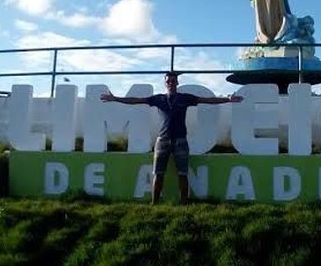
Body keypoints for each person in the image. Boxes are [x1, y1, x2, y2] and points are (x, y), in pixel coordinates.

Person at [100, 72, 243, 204]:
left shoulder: (185, 98)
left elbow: (208, 100)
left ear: (177, 83)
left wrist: (227, 99)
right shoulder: (158, 99)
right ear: (165, 83)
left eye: (173, 81)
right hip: (162, 140)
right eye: (168, 81)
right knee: (158, 173)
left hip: (180, 140)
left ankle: (185, 203)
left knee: (183, 174)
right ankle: (154, 203)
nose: (171, 83)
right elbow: (136, 100)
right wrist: (115, 99)